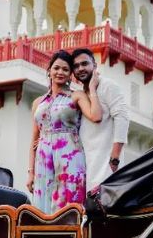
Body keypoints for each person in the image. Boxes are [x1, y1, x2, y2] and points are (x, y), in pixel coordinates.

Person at [28, 50, 102, 214]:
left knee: (68, 204)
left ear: (70, 75)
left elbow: (96, 116)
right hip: (43, 159)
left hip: (70, 157)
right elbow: (34, 140)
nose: (60, 72)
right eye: (56, 68)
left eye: (65, 69)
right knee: (42, 207)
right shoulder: (38, 103)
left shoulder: (76, 96)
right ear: (49, 71)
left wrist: (92, 89)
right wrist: (30, 172)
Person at [71, 48, 129, 192]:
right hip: (87, 163)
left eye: (85, 64)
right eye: (76, 66)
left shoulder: (107, 85)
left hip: (106, 163)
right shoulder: (80, 93)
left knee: (105, 207)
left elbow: (122, 117)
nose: (80, 68)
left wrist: (115, 158)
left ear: (95, 65)